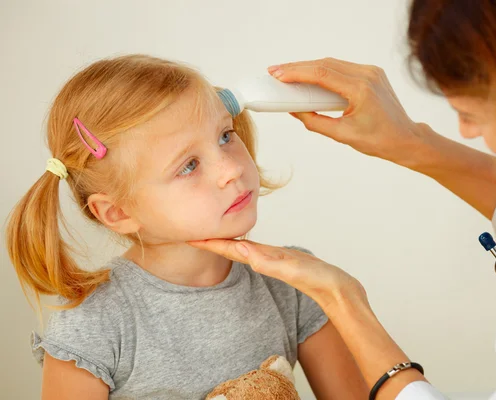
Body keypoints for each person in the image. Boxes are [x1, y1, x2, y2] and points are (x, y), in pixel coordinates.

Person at [190, 1, 496, 399]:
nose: (467, 131)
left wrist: (340, 296)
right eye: (187, 164)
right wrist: (412, 142)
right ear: (121, 211)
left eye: (476, 113)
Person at [5, 54, 368, 399]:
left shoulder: (293, 284)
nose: (232, 169)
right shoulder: (94, 323)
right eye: (189, 165)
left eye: (225, 136)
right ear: (117, 212)